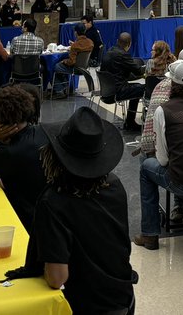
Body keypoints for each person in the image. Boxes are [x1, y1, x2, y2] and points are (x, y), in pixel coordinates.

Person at [32, 108, 137, 315]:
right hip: (123, 297)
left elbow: (56, 278)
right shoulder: (114, 185)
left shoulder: (53, 202)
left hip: (86, 304)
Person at [0, 86, 50, 279]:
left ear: (0, 123)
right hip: (50, 215)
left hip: (27, 222)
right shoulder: (43, 132)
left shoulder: (9, 152)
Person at [134, 59, 183, 250]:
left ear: (172, 83)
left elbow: (162, 159)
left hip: (182, 182)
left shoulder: (164, 110)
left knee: (146, 168)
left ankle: (150, 234)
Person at [100, 32, 146, 131]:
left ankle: (130, 122)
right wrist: (149, 67)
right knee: (144, 88)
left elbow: (119, 73)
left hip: (106, 92)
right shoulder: (123, 55)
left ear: (117, 41)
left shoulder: (109, 51)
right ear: (129, 44)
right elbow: (138, 71)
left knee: (137, 86)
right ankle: (135, 121)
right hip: (117, 92)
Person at [51, 22, 95, 97]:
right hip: (84, 68)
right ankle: (65, 87)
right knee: (61, 67)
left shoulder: (75, 46)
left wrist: (64, 61)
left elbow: (71, 62)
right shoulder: (90, 43)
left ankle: (59, 89)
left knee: (56, 66)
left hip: (76, 68)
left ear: (76, 32)